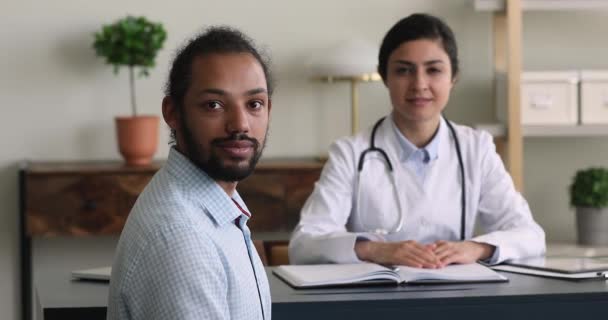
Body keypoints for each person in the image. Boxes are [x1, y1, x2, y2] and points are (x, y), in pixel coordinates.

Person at [289, 13, 545, 268]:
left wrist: (475, 248)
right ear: (385, 77)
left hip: (454, 299)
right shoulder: (351, 153)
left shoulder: (476, 149)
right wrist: (375, 249)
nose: (419, 84)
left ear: (453, 77)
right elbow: (304, 244)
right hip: (377, 302)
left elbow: (531, 236)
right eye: (403, 71)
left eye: (433, 70)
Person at [107, 26, 273, 320]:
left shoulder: (215, 206)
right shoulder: (182, 238)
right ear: (172, 112)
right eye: (214, 105)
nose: (240, 124)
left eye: (254, 104)